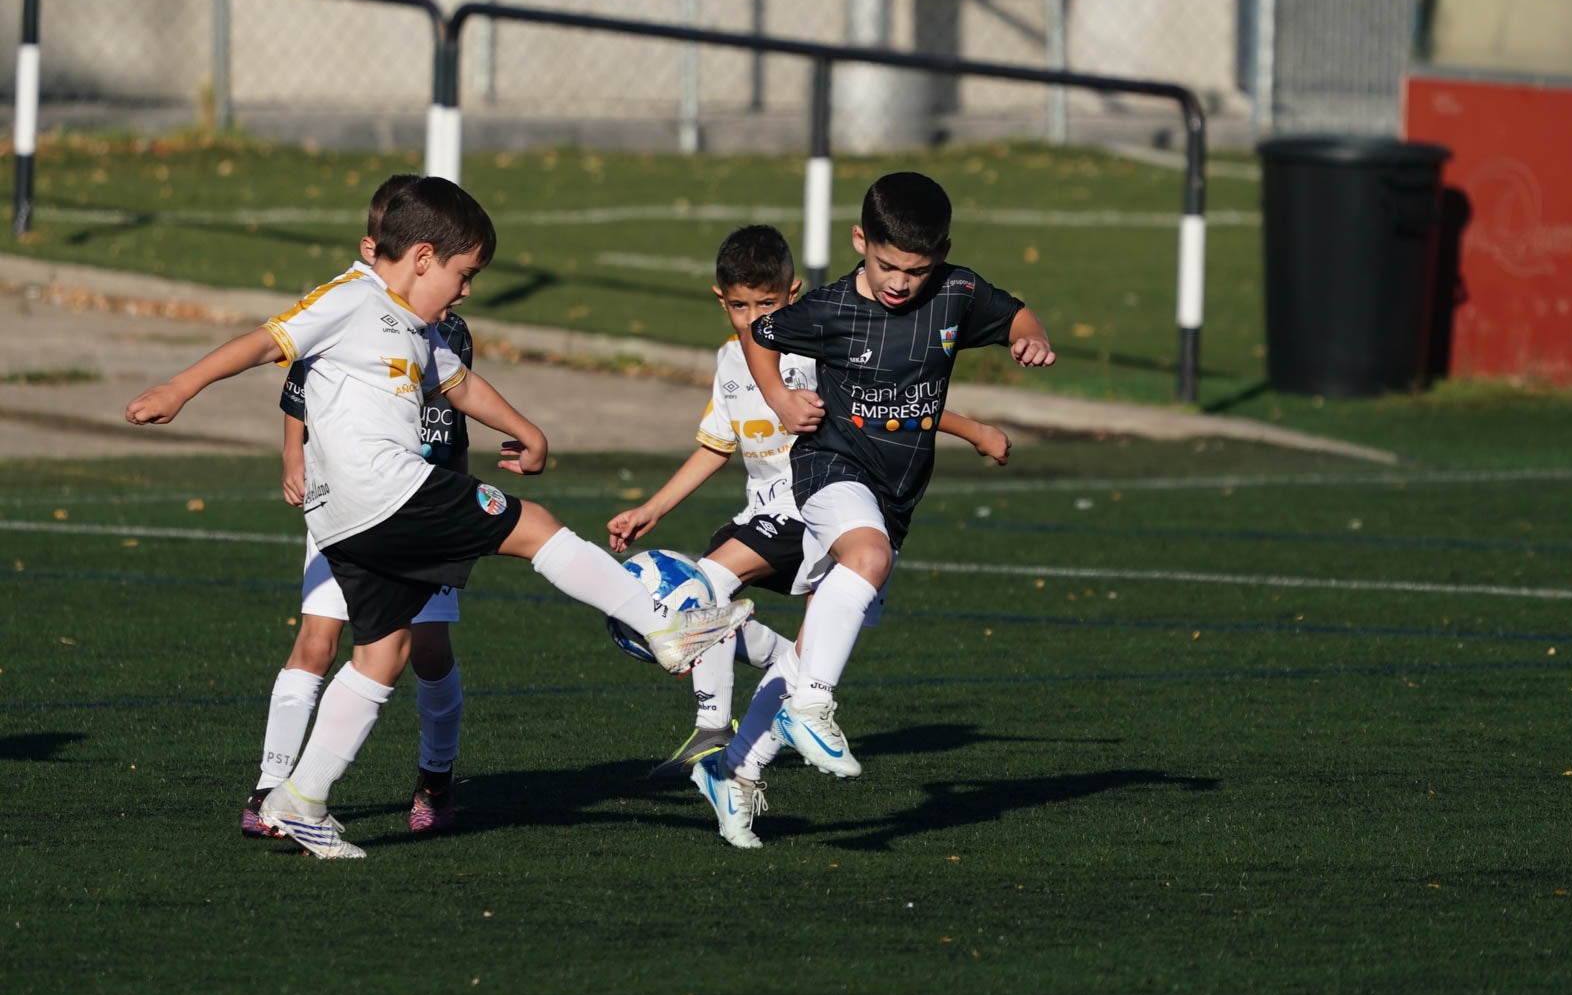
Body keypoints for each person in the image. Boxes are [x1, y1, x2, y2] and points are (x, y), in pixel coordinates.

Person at [126, 176, 752, 860]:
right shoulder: (350, 297)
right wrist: (179, 387)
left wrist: (527, 430)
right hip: (388, 490)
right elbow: (261, 341)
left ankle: (301, 799)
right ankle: (665, 625)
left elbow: (458, 382)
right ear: (422, 257)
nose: (466, 291)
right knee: (534, 525)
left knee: (382, 653)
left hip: (348, 520)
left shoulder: (413, 323)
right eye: (463, 274)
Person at [687, 172, 1055, 848]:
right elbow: (761, 335)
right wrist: (777, 396)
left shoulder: (956, 294)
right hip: (829, 468)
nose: (899, 281)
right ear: (860, 242)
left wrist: (1029, 337)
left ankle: (738, 767)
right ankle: (684, 617)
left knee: (807, 650)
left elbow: (1016, 313)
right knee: (866, 557)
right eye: (886, 264)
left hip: (897, 494)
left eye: (916, 269)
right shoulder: (827, 310)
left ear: (940, 255)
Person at [241, 173, 471, 841]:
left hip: (423, 508)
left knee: (426, 649)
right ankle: (271, 784)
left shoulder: (444, 327)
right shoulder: (342, 307)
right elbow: (298, 385)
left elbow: (457, 406)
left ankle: (435, 775)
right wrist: (295, 458)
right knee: (315, 639)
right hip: (345, 502)